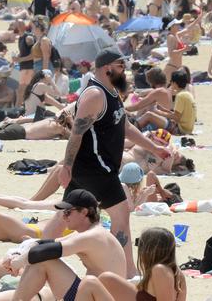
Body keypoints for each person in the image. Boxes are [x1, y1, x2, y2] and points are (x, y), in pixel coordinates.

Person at [56, 48, 170, 278]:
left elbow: (126, 127)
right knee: (121, 215)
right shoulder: (95, 95)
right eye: (121, 66)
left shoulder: (112, 93)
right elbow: (76, 133)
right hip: (96, 168)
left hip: (95, 169)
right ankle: (126, 271)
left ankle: (32, 252)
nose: (124, 71)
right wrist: (66, 166)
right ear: (107, 68)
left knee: (64, 218)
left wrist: (154, 147)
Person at [5, 189, 128, 301]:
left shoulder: (93, 236)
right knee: (40, 258)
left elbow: (43, 252)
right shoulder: (88, 233)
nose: (64, 216)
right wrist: (16, 255)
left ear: (84, 212)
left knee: (44, 260)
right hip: (93, 295)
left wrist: (16, 263)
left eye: (68, 212)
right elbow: (43, 243)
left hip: (102, 297)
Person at [76, 227, 187, 301]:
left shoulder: (159, 270)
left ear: (150, 249)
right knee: (106, 278)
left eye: (140, 244)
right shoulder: (176, 272)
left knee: (89, 283)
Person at [134, 70, 196, 135]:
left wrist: (158, 112)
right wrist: (162, 109)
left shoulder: (180, 96)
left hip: (179, 130)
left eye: (171, 82)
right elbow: (178, 114)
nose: (170, 84)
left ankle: (131, 129)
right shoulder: (187, 94)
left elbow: (176, 117)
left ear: (174, 83)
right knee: (151, 113)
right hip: (187, 128)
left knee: (149, 115)